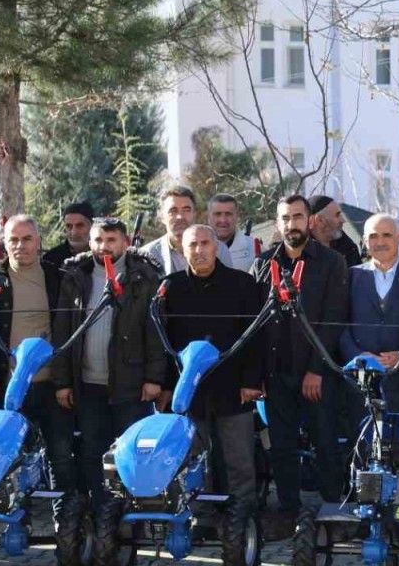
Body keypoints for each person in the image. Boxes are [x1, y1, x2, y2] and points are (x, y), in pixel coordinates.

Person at [161, 224, 262, 559]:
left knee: (238, 459)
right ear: (182, 249)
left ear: (216, 247)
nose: (200, 250)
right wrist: (167, 387)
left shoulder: (242, 284)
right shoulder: (170, 287)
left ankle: (243, 518)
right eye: (193, 245)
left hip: (234, 387)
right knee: (193, 460)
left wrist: (251, 380)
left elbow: (255, 337)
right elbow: (164, 343)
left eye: (206, 243)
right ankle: (201, 518)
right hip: (189, 392)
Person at [248, 195, 349, 530]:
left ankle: (332, 510)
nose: (291, 224)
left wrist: (316, 370)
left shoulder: (332, 262)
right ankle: (288, 511)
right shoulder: (264, 263)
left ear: (309, 220)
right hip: (276, 374)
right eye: (285, 218)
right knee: (281, 446)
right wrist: (257, 376)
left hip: (317, 373)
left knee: (325, 441)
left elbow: (334, 321)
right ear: (278, 223)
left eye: (297, 216)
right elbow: (254, 324)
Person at [52, 217, 164, 513]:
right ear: (90, 242)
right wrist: (63, 382)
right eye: (98, 240)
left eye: (111, 240)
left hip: (131, 385)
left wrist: (154, 378)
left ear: (125, 242)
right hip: (88, 385)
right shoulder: (76, 276)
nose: (104, 246)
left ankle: (133, 511)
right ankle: (101, 510)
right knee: (92, 450)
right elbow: (63, 331)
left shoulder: (144, 277)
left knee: (132, 452)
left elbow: (155, 331)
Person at [0, 215, 80, 537]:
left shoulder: (58, 278)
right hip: (9, 388)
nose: (20, 245)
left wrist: (67, 380)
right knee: (10, 460)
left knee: (60, 455)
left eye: (27, 239)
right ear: (4, 242)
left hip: (53, 386)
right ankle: (17, 522)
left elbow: (70, 330)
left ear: (38, 241)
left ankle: (66, 525)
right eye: (13, 239)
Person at [340, 214, 399, 414]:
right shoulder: (351, 276)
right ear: (365, 241)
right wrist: (357, 356)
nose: (380, 242)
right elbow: (339, 324)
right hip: (359, 384)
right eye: (373, 236)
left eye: (387, 235)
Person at [141, 185, 233, 275]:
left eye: (186, 210)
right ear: (162, 217)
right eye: (173, 211)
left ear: (194, 214)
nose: (180, 217)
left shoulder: (219, 250)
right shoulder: (148, 255)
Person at [309, 195, 364, 268]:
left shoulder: (349, 249)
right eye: (337, 215)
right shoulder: (300, 252)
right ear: (319, 220)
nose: (343, 220)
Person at [208, 193, 257, 269]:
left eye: (228, 214)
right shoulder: (195, 249)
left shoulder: (254, 248)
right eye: (217, 214)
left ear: (237, 216)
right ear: (208, 217)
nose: (223, 220)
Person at [42, 201, 94, 272]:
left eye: (79, 225)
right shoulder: (50, 259)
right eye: (69, 226)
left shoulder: (102, 256)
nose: (74, 232)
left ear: (92, 226)